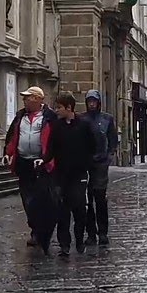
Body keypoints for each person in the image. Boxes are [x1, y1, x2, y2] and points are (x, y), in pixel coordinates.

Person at [4, 86, 57, 253]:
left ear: (37, 99)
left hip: (42, 164)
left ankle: (42, 231)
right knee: (27, 199)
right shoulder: (20, 116)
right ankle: (35, 229)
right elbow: (13, 136)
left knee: (40, 199)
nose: (25, 100)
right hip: (23, 163)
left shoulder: (49, 117)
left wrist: (50, 159)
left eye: (28, 97)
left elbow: (55, 139)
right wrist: (8, 153)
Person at [49, 92, 97, 256]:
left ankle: (79, 240)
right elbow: (51, 148)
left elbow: (93, 146)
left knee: (79, 210)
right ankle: (64, 244)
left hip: (79, 174)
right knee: (62, 211)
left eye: (59, 107)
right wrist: (44, 160)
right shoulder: (56, 126)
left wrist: (87, 163)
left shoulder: (83, 125)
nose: (57, 110)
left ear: (69, 107)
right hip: (61, 175)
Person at [84, 89, 118, 247]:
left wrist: (109, 155)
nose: (92, 104)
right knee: (87, 200)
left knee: (100, 198)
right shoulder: (82, 119)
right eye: (89, 101)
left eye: (94, 101)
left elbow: (112, 139)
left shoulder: (106, 119)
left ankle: (103, 232)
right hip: (85, 163)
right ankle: (91, 233)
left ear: (98, 102)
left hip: (101, 163)